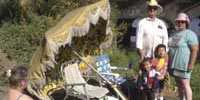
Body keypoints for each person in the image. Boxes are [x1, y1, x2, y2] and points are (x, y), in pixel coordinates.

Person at [168, 13, 199, 100]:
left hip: (184, 64)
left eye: (182, 22)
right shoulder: (174, 34)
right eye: (178, 21)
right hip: (174, 64)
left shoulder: (190, 34)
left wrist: (191, 64)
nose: (180, 23)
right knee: (179, 85)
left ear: (186, 23)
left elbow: (194, 50)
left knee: (185, 84)